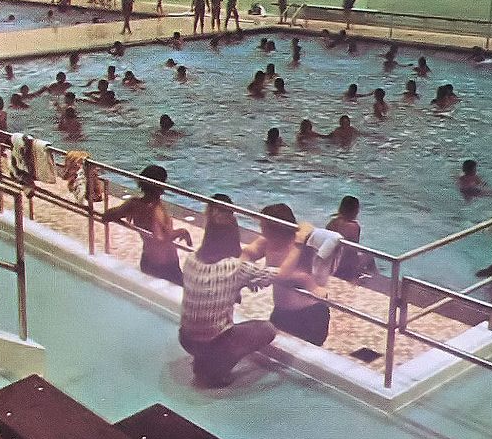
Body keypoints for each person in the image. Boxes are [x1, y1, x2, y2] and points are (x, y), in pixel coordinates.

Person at [179, 196, 277, 387]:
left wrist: (240, 284)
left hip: (186, 339)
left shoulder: (190, 259)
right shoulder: (234, 268)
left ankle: (203, 359)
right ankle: (216, 371)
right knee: (267, 329)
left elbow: (217, 284)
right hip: (213, 344)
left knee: (216, 328)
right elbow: (273, 274)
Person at [242, 203, 333, 345]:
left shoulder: (302, 245)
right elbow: (247, 253)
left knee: (305, 359)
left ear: (276, 229)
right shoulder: (268, 241)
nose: (261, 231)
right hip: (282, 312)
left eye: (264, 227)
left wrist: (260, 275)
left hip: (309, 314)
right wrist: (246, 272)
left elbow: (287, 275)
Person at [102, 164, 192, 285]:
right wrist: (182, 231)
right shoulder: (156, 209)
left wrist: (124, 216)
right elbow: (160, 237)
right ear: (161, 185)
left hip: (147, 261)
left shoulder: (134, 204)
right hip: (165, 265)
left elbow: (107, 215)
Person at [326, 196, 374, 280]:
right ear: (355, 211)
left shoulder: (332, 222)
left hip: (329, 263)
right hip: (343, 268)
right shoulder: (354, 227)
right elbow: (352, 252)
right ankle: (375, 281)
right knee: (369, 256)